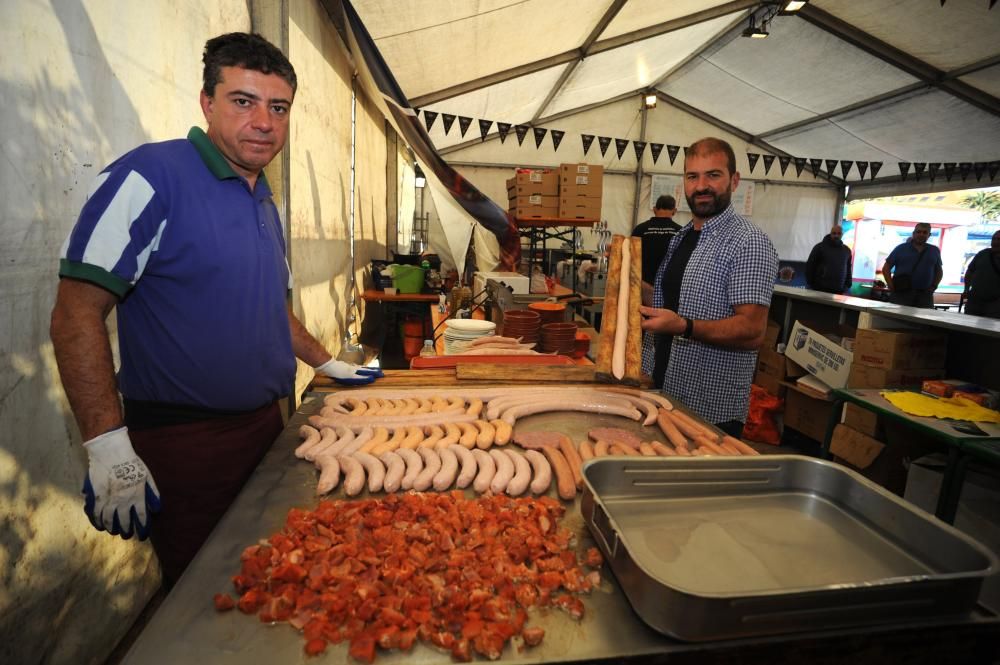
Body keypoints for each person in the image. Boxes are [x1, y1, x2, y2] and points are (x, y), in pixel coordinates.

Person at [50, 33, 381, 587]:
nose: (264, 122)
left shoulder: (263, 199)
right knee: (212, 594)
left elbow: (268, 308)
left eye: (278, 108)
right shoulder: (149, 178)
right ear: (207, 103)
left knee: (276, 576)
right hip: (185, 444)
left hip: (266, 428)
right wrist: (107, 445)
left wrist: (326, 364)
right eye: (243, 101)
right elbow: (75, 314)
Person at [638, 138, 778, 439]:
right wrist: (630, 284)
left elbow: (752, 331)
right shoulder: (682, 236)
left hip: (709, 411)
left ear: (734, 180)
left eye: (713, 175)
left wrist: (684, 326)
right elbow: (667, 305)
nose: (701, 186)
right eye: (692, 176)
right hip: (661, 394)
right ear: (684, 183)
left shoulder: (749, 242)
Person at [881, 222, 942, 308]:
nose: (921, 234)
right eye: (918, 232)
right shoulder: (901, 248)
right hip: (901, 293)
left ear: (929, 235)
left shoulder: (934, 250)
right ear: (913, 233)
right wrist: (891, 287)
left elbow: (939, 271)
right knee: (897, 319)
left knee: (924, 320)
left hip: (925, 295)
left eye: (925, 232)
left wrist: (934, 287)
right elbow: (886, 268)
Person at [632, 194, 682, 289]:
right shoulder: (680, 232)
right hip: (669, 286)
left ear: (654, 209)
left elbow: (632, 257)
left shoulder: (640, 229)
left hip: (642, 286)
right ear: (674, 211)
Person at [805, 224, 852, 294]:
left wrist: (848, 284)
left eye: (839, 233)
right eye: (834, 233)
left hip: (839, 290)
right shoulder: (819, 247)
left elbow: (848, 269)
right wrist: (812, 284)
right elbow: (810, 266)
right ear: (830, 234)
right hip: (820, 289)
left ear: (842, 234)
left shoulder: (847, 250)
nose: (836, 236)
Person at [964, 230, 1000, 318]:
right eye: (994, 239)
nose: (995, 242)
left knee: (987, 329)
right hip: (974, 301)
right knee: (968, 326)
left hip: (995, 304)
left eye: (999, 239)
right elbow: (970, 272)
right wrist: (966, 289)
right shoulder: (983, 254)